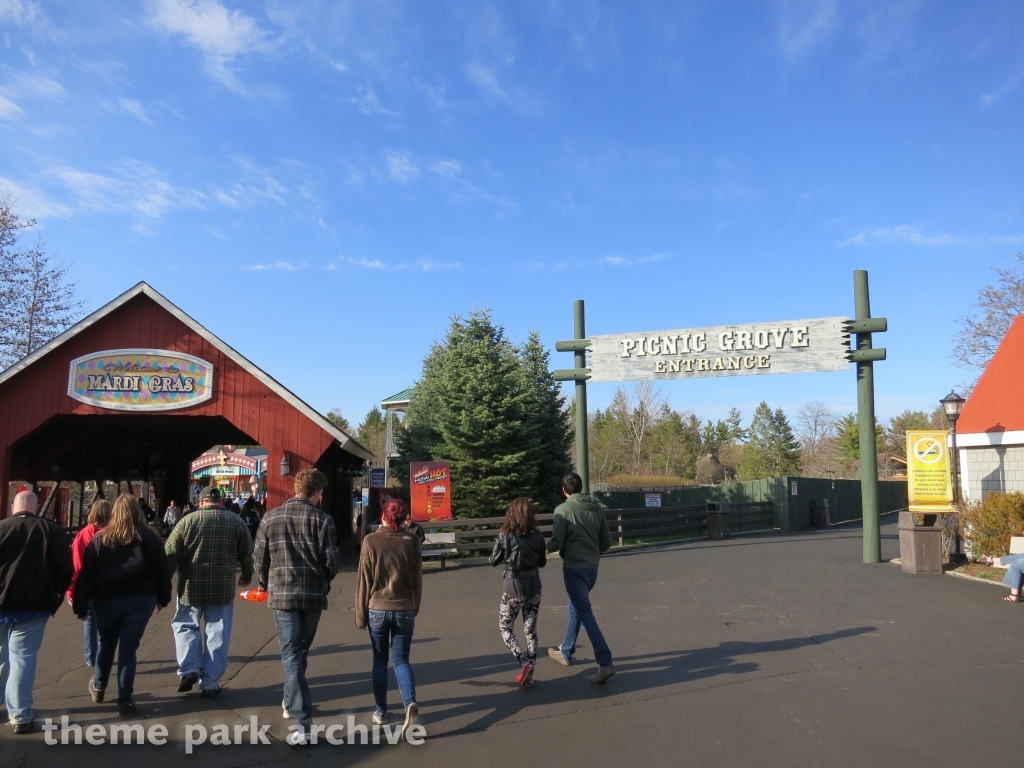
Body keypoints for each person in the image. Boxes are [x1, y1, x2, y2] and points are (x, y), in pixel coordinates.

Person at [254, 469, 341, 746]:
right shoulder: (323, 520)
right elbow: (332, 562)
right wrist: (324, 581)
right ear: (317, 493)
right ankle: (302, 721)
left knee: (292, 654)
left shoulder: (271, 517)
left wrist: (263, 582)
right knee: (298, 652)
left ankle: (290, 700)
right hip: (312, 595)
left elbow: (260, 558)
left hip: (281, 595)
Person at [73, 494, 172, 715]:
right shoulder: (149, 537)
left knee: (107, 643)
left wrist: (80, 606)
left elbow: (86, 576)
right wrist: (163, 598)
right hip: (141, 598)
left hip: (106, 599)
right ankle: (125, 700)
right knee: (129, 649)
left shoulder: (99, 540)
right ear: (137, 511)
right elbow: (162, 570)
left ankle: (99, 686)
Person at [164, 486, 254, 697]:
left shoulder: (186, 521)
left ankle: (189, 668)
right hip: (222, 588)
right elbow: (248, 552)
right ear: (220, 501)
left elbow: (169, 554)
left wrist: (164, 583)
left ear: (201, 501)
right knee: (218, 631)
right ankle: (210, 682)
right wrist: (246, 575)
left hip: (189, 588)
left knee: (186, 626)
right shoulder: (236, 521)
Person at [0, 491, 73, 734]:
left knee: (0, 657)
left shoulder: (1, 528)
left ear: (13, 507)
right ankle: (20, 715)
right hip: (34, 607)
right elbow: (64, 568)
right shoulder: (50, 531)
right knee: (22, 658)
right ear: (37, 507)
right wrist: (55, 596)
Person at [356, 497, 422, 737]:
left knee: (379, 661)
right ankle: (409, 703)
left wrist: (361, 615)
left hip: (378, 608)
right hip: (405, 607)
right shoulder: (412, 541)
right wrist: (414, 606)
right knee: (402, 661)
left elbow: (363, 580)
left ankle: (381, 711)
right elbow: (417, 579)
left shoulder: (371, 541)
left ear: (383, 516)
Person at [547, 472, 615, 684]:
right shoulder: (596, 508)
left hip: (574, 568)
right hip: (592, 568)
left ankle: (605, 663)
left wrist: (537, 550)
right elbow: (607, 541)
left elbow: (556, 542)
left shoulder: (563, 509)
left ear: (564, 490)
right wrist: (592, 552)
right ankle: (566, 651)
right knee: (575, 608)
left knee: (584, 613)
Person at [490, 497, 547, 687]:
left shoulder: (505, 535)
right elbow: (543, 562)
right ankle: (531, 664)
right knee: (530, 628)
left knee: (505, 627)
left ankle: (524, 663)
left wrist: (500, 543)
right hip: (534, 585)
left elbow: (493, 560)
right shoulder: (537, 536)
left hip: (513, 586)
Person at [68, 499, 113, 668]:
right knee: (108, 625)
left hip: (88, 587)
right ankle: (104, 656)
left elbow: (76, 565)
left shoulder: (83, 535)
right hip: (109, 587)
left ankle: (91, 658)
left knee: (89, 622)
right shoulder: (115, 533)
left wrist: (71, 591)